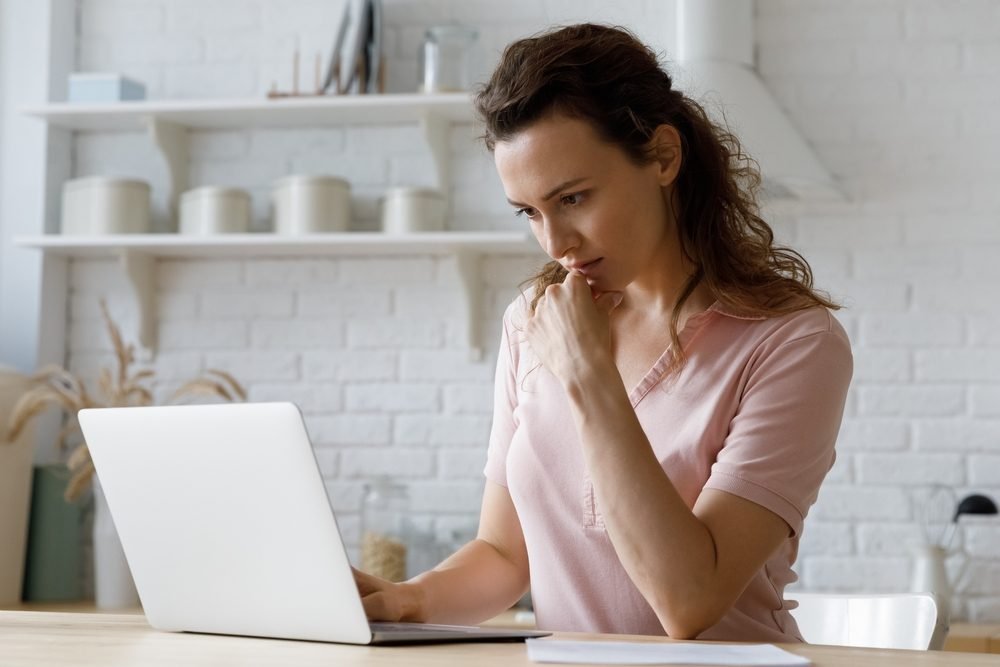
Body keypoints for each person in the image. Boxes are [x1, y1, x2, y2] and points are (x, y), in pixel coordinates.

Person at [353, 23, 852, 642]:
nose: (555, 243)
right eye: (529, 212)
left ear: (664, 157)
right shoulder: (532, 323)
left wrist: (588, 374)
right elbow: (506, 556)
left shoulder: (792, 344)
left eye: (574, 198)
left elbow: (688, 600)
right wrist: (407, 600)